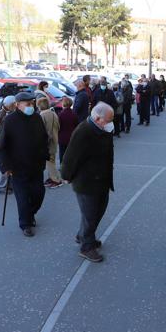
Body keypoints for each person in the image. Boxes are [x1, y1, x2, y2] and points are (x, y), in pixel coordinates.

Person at [61, 102, 115, 262]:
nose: (111, 123)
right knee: (91, 214)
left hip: (102, 179)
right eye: (108, 120)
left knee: (98, 211)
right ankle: (87, 247)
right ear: (98, 118)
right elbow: (71, 157)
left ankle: (83, 235)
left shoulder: (101, 128)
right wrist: (66, 175)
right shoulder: (83, 132)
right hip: (87, 182)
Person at [0, 92, 49, 237]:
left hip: (36, 165)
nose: (31, 106)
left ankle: (30, 213)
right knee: (23, 197)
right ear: (18, 105)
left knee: (39, 194)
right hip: (17, 168)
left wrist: (46, 154)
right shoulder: (10, 121)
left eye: (32, 103)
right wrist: (5, 167)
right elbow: (1, 146)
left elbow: (44, 138)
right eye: (27, 104)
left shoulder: (37, 117)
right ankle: (25, 223)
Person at [0, 95, 17, 194]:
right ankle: (2, 187)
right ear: (9, 105)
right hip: (2, 147)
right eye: (14, 104)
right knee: (5, 168)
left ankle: (9, 186)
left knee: (8, 167)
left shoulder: (7, 113)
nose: (15, 105)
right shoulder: (2, 115)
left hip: (5, 146)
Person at [37, 97, 62, 189]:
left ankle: (56, 180)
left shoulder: (42, 115)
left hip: (47, 142)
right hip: (54, 139)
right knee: (52, 160)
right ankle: (52, 178)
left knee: (50, 162)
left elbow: (40, 130)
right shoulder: (53, 113)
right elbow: (58, 127)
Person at [58, 96, 78, 164]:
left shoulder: (61, 114)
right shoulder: (74, 114)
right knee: (70, 154)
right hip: (71, 137)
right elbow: (76, 125)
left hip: (62, 137)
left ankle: (62, 166)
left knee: (62, 153)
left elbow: (59, 126)